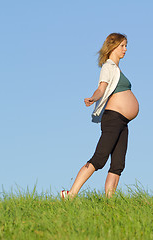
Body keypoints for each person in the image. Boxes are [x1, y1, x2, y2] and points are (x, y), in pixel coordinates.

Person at [61, 33, 139, 199]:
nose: (125, 49)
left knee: (118, 165)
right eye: (122, 46)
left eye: (126, 46)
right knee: (99, 159)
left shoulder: (117, 69)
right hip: (113, 119)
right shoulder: (108, 67)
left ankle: (110, 202)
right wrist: (93, 98)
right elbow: (101, 89)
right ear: (113, 47)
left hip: (123, 122)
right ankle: (71, 194)